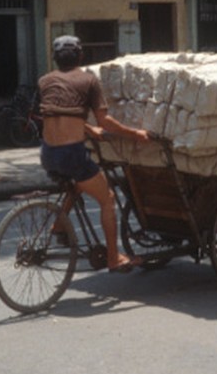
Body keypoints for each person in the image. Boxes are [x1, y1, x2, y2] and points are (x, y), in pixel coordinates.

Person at [38, 35, 150, 272]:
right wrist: (136, 134)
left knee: (79, 184)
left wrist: (87, 129)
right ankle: (114, 258)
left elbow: (55, 113)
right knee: (107, 198)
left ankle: (58, 225)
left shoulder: (45, 81)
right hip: (71, 154)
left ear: (55, 59)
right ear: (80, 56)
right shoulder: (89, 81)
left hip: (47, 154)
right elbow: (106, 121)